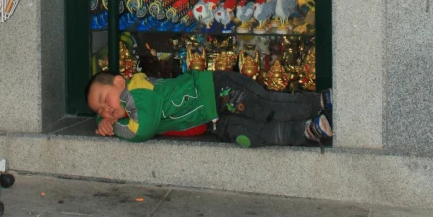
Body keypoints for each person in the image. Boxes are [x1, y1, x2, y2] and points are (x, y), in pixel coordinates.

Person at [85, 69, 333, 148]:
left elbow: (142, 130)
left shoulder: (138, 94)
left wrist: (114, 127)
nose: (107, 109)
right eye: (100, 111)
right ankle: (307, 131)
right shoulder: (129, 108)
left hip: (217, 91)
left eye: (105, 99)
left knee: (265, 106)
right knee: (249, 134)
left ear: (120, 82)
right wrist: (103, 123)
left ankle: (318, 102)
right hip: (214, 120)